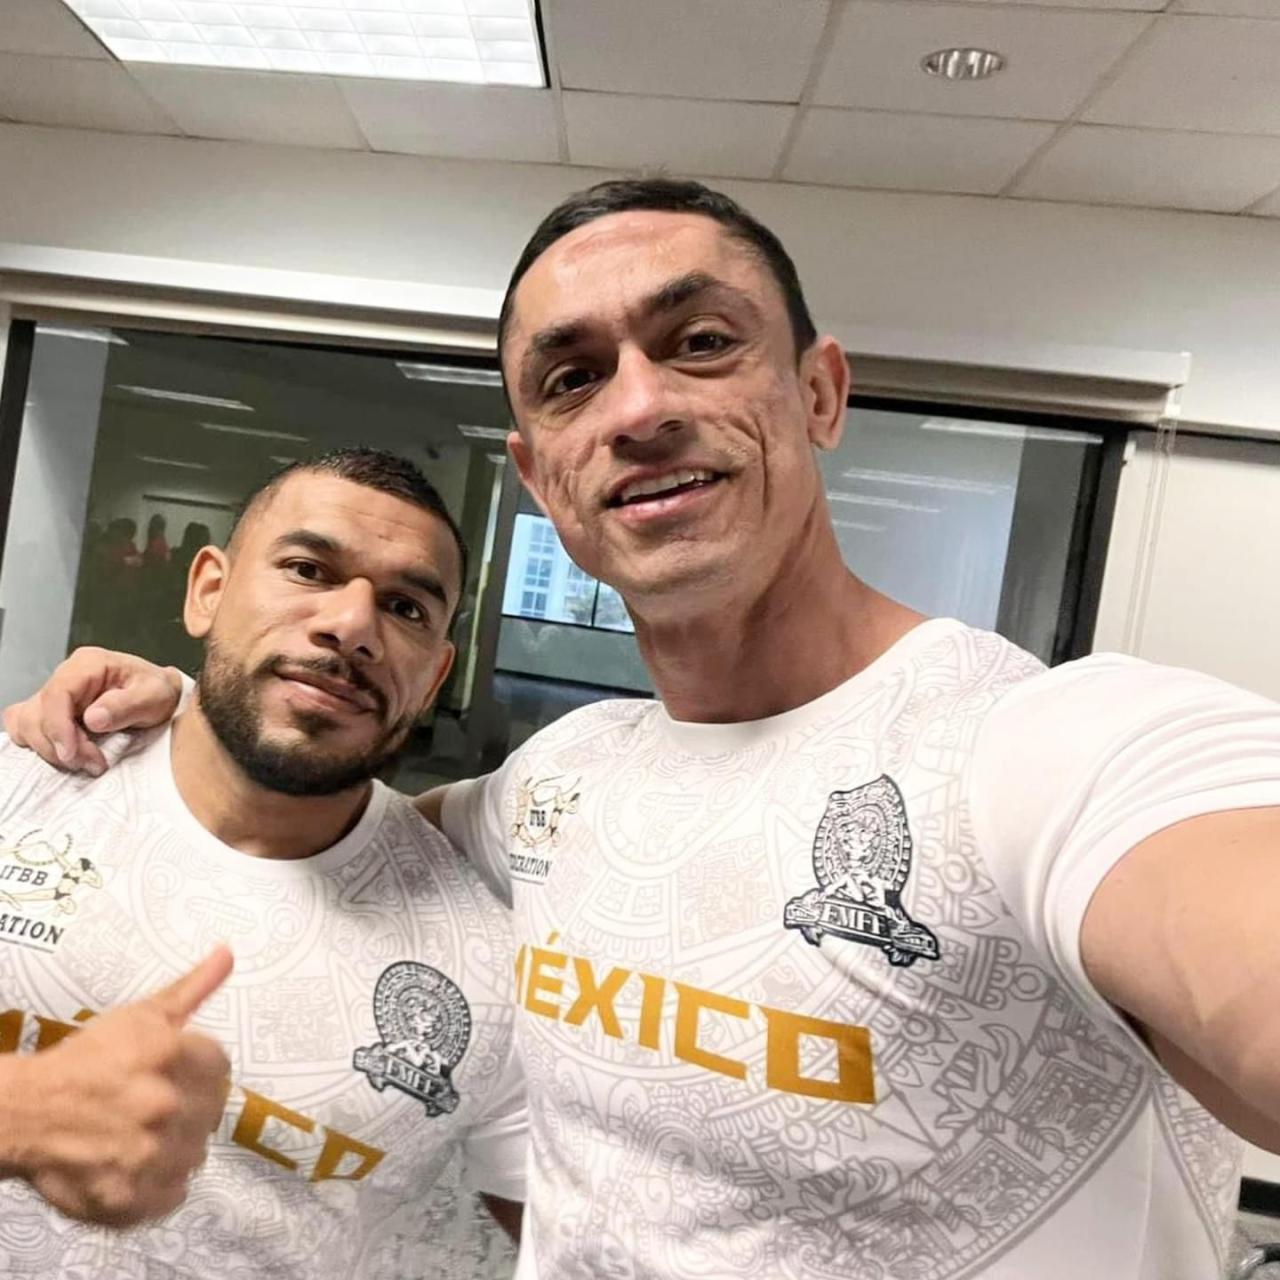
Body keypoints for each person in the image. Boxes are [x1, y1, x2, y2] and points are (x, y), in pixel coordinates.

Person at [11, 179, 1280, 1280]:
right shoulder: (562, 782)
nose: (635, 407)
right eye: (572, 378)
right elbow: (325, 807)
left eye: (701, 341)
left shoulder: (1048, 751)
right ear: (539, 473)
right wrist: (188, 707)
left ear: (819, 391)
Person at [0, 447, 525, 1278]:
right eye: (309, 569)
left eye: (406, 607)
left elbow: (595, 1233)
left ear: (434, 679)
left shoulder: (489, 964)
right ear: (208, 590)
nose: (352, 626)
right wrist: (18, 1115)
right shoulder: (21, 782)